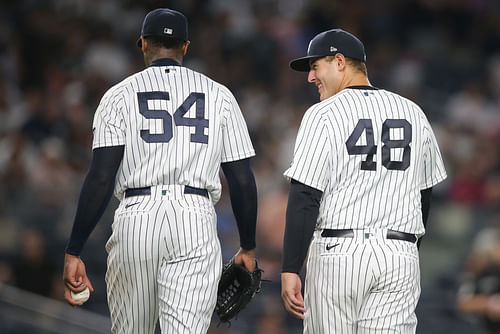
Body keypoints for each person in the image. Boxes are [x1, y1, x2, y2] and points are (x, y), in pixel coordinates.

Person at [62, 8, 258, 333]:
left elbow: (100, 176)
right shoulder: (219, 94)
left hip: (136, 217)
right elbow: (241, 179)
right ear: (185, 47)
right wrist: (248, 246)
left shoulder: (118, 95)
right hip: (194, 218)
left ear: (142, 44)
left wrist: (74, 250)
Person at [280, 28, 447, 333]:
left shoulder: (323, 113)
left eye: (315, 66)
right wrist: (406, 250)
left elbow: (305, 195)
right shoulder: (413, 112)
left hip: (339, 253)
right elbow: (425, 194)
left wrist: (290, 266)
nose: (310, 77)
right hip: (400, 254)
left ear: (340, 61)